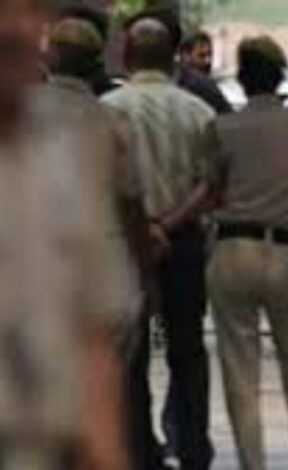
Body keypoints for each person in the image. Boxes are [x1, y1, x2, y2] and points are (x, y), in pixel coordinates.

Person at [0, 0, 133, 468]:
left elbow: (91, 332)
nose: (18, 29)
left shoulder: (71, 147)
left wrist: (104, 452)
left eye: (30, 12)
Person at [208, 36, 288, 470]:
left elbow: (211, 187)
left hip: (233, 249)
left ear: (242, 79)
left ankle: (252, 462)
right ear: (282, 77)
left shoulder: (223, 127)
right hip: (287, 251)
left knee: (240, 373)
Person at [102, 13, 218, 470]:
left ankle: (139, 451)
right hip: (183, 243)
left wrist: (143, 229)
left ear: (127, 57)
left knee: (129, 356)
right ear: (174, 59)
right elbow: (212, 186)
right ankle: (192, 448)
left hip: (123, 246)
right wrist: (167, 227)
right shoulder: (199, 111)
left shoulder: (107, 109)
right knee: (187, 351)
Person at [178, 30, 233, 114]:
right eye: (201, 56)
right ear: (186, 55)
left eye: (210, 55)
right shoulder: (202, 83)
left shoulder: (174, 80)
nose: (207, 61)